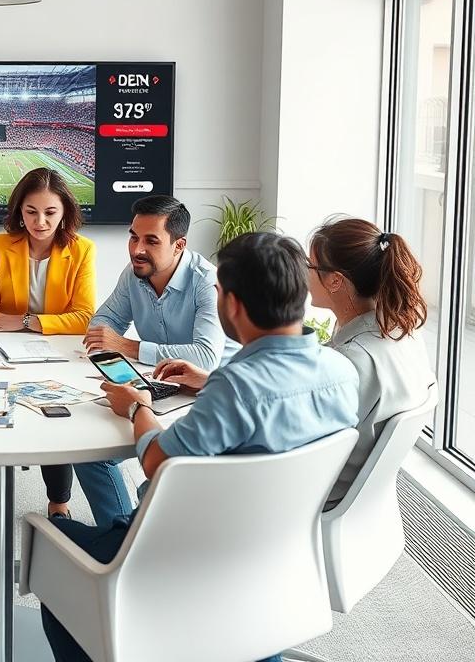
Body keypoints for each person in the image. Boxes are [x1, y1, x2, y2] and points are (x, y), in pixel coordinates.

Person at [41, 232, 360, 662]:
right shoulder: (341, 372)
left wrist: (139, 407)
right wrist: (208, 382)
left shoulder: (237, 389)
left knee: (53, 547)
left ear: (232, 305)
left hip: (182, 554)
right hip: (271, 556)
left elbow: (156, 461)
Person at [76, 195, 234, 525]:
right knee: (87, 445)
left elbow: (205, 356)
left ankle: (123, 542)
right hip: (158, 385)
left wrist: (128, 347)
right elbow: (101, 324)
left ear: (179, 245)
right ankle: (120, 533)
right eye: (133, 237)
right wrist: (112, 342)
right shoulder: (134, 273)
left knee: (112, 451)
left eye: (151, 240)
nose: (137, 249)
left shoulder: (207, 282)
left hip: (207, 394)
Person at [0, 167, 96, 532]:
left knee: (54, 417)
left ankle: (59, 503)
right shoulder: (0, 245)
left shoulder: (82, 250)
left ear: (65, 212)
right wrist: (20, 323)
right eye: (31, 211)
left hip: (56, 353)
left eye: (50, 212)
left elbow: (84, 317)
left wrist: (22, 321)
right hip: (1, 352)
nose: (40, 222)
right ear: (19, 212)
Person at [307, 217, 435, 507]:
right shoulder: (405, 333)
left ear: (335, 280)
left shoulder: (350, 361)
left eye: (310, 266)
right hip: (364, 492)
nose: (305, 274)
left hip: (322, 493)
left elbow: (295, 436)